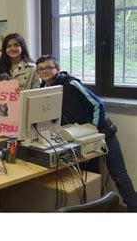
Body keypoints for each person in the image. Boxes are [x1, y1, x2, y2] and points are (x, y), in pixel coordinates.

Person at [35, 55, 137, 212]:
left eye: (49, 67)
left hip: (103, 134)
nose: (44, 71)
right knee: (90, 177)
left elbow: (97, 105)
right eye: (40, 69)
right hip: (78, 140)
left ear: (58, 68)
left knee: (120, 176)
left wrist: (93, 129)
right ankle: (95, 210)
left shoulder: (71, 83)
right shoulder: (43, 90)